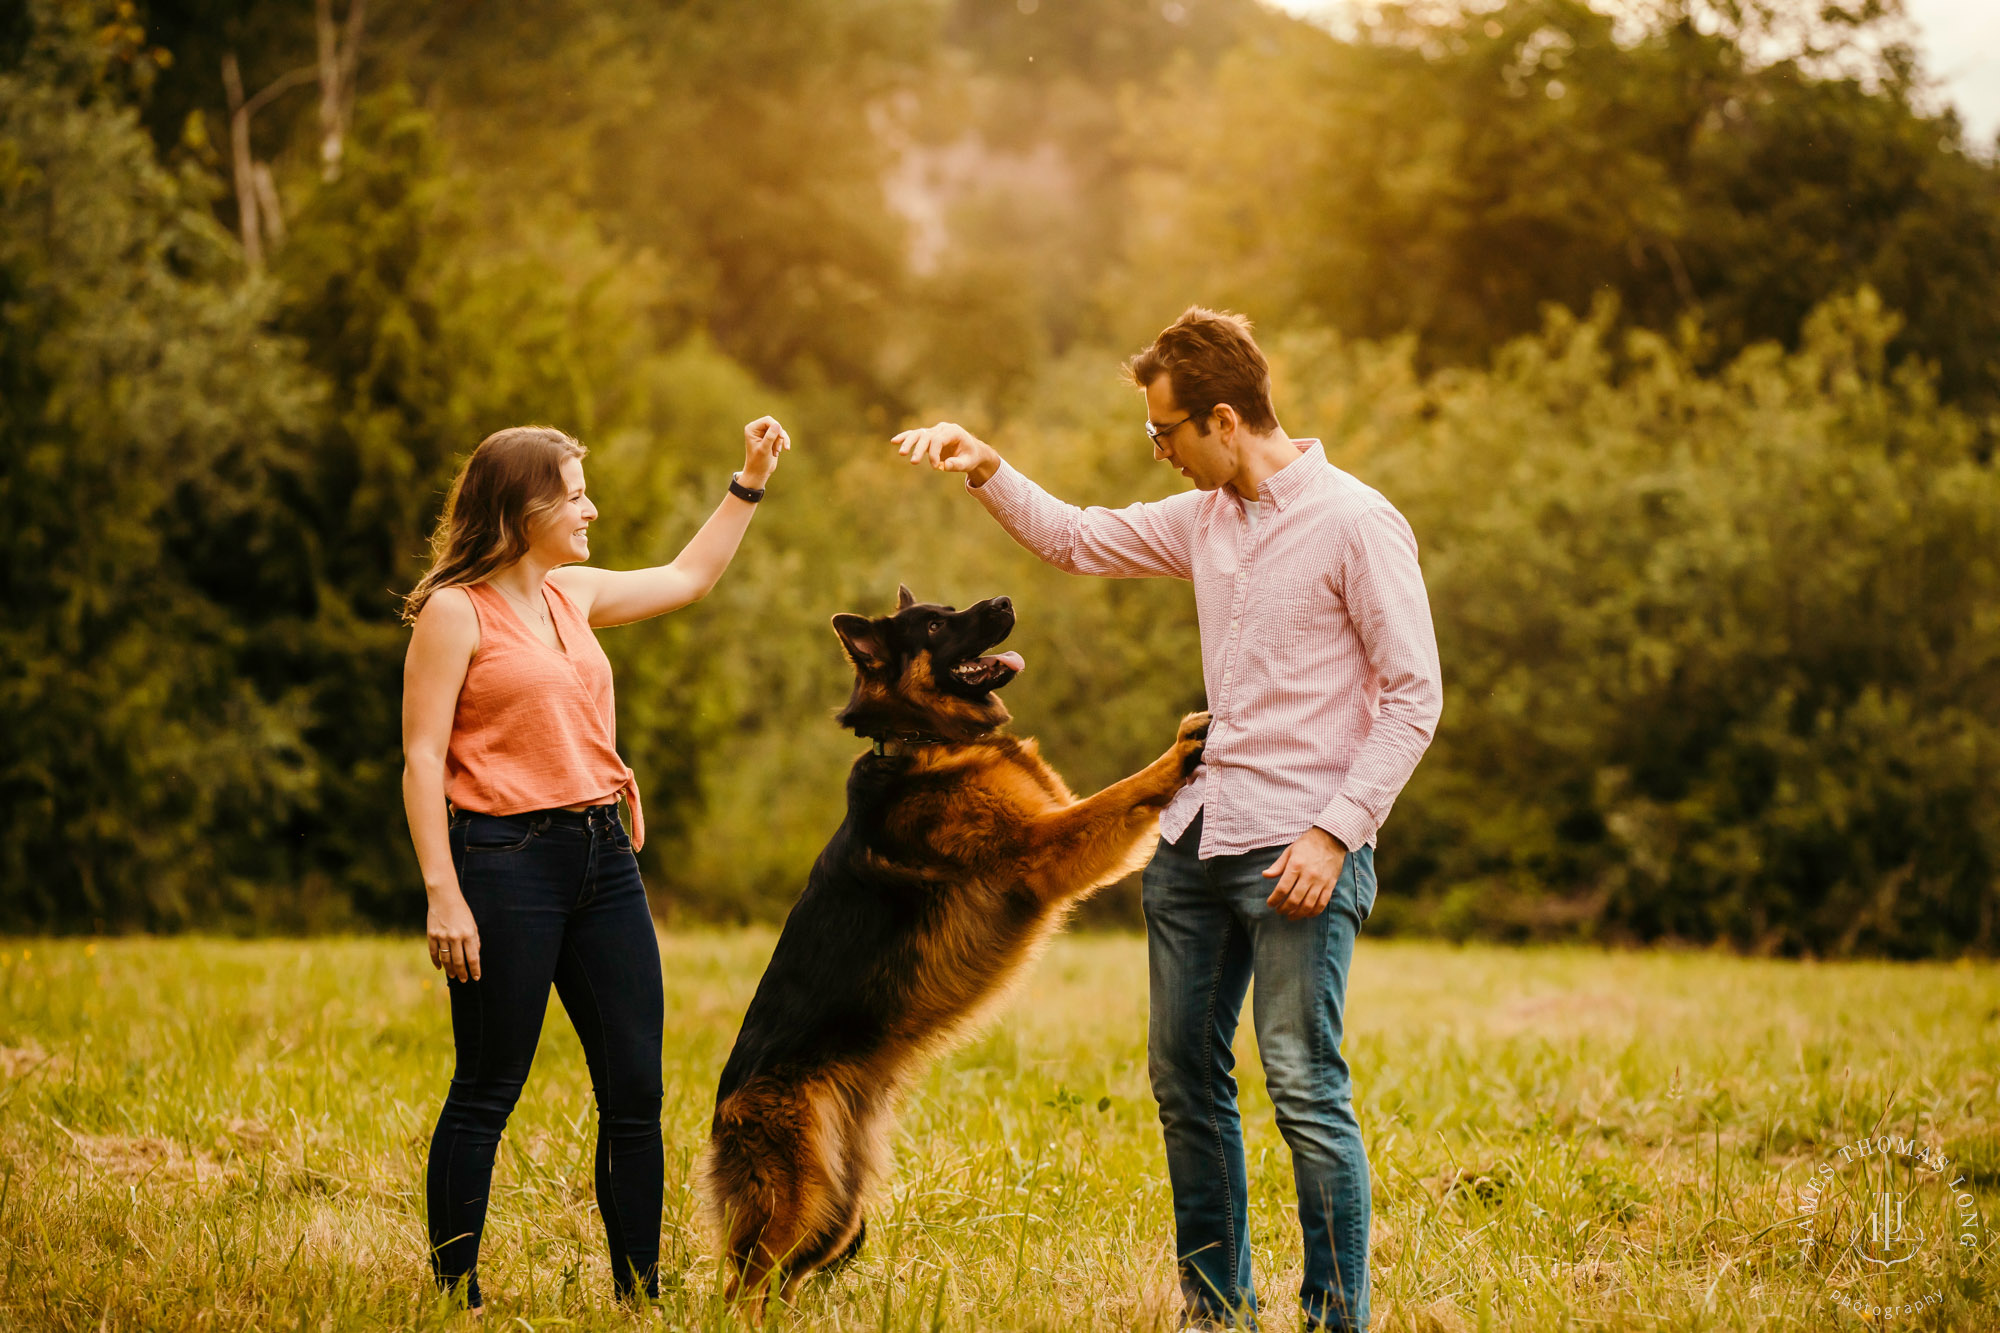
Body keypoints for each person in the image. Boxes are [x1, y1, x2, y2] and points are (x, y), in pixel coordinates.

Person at [894, 308, 1440, 1332]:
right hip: (1194, 840)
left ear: (1223, 419)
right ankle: (1212, 1309)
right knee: (1183, 1078)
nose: (1158, 453)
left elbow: (1414, 694)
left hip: (1297, 848)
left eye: (1165, 434)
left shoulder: (1355, 522)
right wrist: (985, 466)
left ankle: (1333, 1319)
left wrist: (1334, 833)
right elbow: (1076, 537)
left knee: (1300, 1082)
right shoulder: (1205, 521)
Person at [399, 417, 791, 1311]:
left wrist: (750, 480)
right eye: (574, 493)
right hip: (504, 865)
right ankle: (453, 1293)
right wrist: (443, 894)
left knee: (634, 1089)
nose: (591, 507)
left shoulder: (569, 593)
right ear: (521, 506)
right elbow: (423, 759)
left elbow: (688, 578)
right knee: (488, 1085)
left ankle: (639, 1296)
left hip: (603, 858)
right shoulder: (455, 611)